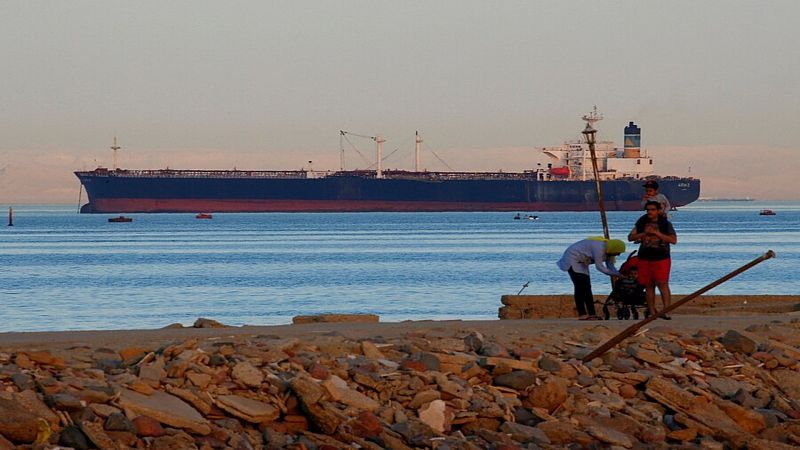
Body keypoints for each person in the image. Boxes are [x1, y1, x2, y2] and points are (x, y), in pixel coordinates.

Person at [628, 200, 677, 319]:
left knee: (662, 284)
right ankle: (651, 312)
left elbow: (673, 240)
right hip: (645, 257)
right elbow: (630, 237)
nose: (650, 212)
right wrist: (643, 233)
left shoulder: (665, 224)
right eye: (648, 210)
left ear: (658, 211)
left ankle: (667, 310)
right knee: (648, 285)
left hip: (661, 258)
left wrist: (656, 233)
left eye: (653, 210)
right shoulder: (642, 221)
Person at [557, 238, 625, 320]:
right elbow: (599, 267)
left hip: (583, 262)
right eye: (618, 252)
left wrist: (618, 274)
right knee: (580, 287)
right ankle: (582, 314)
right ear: (614, 249)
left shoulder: (609, 252)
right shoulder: (599, 248)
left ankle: (592, 313)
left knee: (587, 288)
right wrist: (616, 274)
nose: (618, 255)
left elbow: (610, 266)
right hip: (573, 259)